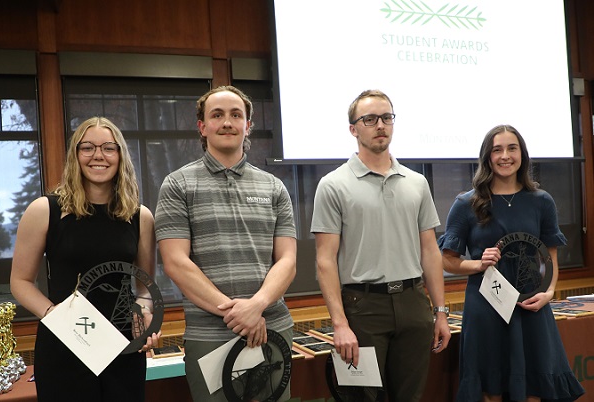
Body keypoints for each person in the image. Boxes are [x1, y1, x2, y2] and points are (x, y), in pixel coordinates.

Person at [155, 85, 297, 402]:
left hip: (272, 329)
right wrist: (241, 315)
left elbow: (287, 261)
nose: (227, 122)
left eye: (236, 115)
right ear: (202, 127)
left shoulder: (274, 186)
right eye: (217, 115)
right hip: (210, 337)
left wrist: (257, 306)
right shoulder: (177, 184)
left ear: (248, 125)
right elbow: (176, 263)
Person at [311, 89, 451, 402]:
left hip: (414, 304)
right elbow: (325, 261)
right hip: (362, 308)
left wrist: (440, 312)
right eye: (370, 119)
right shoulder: (333, 185)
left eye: (387, 117)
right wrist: (340, 324)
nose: (380, 125)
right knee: (363, 398)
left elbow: (430, 251)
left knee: (409, 397)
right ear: (353, 129)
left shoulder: (416, 182)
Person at [10, 116, 158, 402]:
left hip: (122, 347)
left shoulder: (140, 217)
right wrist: (57, 317)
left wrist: (144, 313)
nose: (98, 156)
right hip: (64, 344)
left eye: (108, 148)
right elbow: (20, 281)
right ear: (75, 155)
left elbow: (143, 288)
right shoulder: (45, 210)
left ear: (120, 156)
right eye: (87, 147)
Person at [438, 124, 585, 402]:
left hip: (532, 304)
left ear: (522, 155)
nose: (505, 156)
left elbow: (549, 256)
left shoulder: (542, 201)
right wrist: (479, 264)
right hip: (486, 306)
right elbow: (448, 261)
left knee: (534, 387)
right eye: (497, 150)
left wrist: (549, 292)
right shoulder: (466, 203)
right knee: (490, 388)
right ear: (487, 157)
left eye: (512, 148)